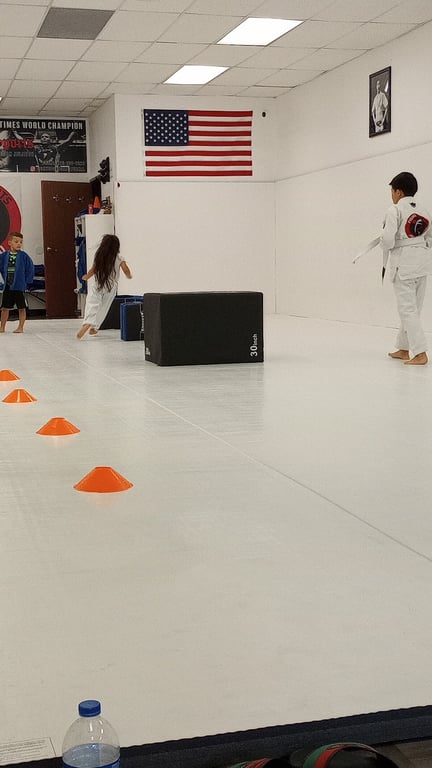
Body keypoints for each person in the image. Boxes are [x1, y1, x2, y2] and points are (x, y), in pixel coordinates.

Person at [382, 172, 432, 365]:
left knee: (407, 309)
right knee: (413, 309)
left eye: (392, 191)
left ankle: (420, 353)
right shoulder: (425, 210)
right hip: (422, 263)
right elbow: (430, 237)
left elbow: (387, 241)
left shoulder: (394, 210)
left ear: (399, 192)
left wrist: (385, 242)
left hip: (403, 265)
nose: (392, 195)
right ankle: (404, 348)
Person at [77, 234, 132, 339]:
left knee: (92, 303)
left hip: (98, 283)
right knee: (104, 307)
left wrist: (86, 277)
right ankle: (95, 327)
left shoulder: (100, 257)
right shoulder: (119, 258)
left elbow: (93, 270)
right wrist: (129, 276)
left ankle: (87, 322)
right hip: (111, 287)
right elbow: (126, 269)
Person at [0, 231, 34, 333]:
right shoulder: (4, 256)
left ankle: (20, 327)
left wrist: (27, 281)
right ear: (10, 243)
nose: (19, 244)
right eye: (16, 242)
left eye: (21, 242)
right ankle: (2, 327)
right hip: (8, 286)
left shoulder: (24, 256)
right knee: (4, 308)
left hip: (19, 286)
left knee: (21, 307)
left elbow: (30, 268)